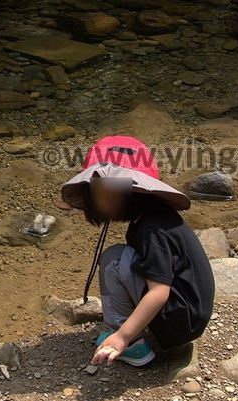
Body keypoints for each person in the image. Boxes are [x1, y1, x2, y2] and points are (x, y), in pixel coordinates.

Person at [59, 135, 215, 367]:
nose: (101, 201)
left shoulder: (152, 230)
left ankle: (132, 346)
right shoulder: (157, 217)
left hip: (181, 322)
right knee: (120, 257)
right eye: (98, 193)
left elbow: (160, 291)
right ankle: (136, 328)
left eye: (108, 194)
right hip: (188, 313)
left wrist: (122, 337)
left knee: (113, 261)